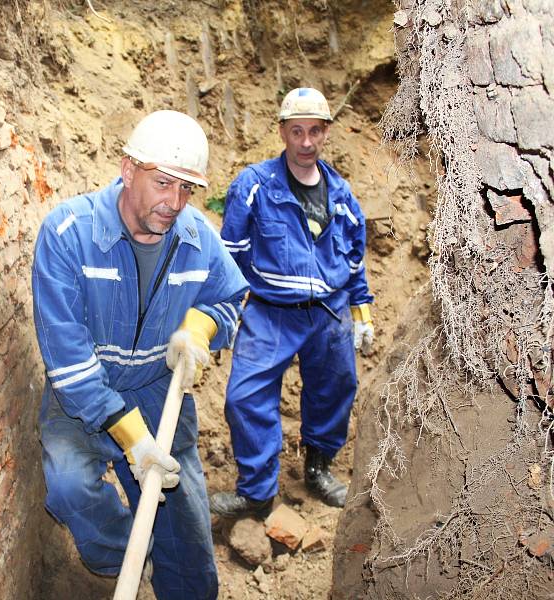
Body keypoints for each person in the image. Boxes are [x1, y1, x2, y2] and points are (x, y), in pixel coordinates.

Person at [32, 110, 248, 599]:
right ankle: (128, 552)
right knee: (69, 488)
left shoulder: (198, 238)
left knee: (187, 529)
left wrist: (198, 328)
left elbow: (229, 298)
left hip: (156, 388)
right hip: (84, 393)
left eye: (186, 189)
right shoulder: (68, 234)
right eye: (162, 182)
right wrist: (134, 439)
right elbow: (68, 362)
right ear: (129, 170)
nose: (174, 203)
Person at [210, 87, 375, 517]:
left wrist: (361, 312)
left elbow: (355, 257)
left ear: (326, 133)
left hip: (328, 313)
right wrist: (220, 313)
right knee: (244, 397)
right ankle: (257, 492)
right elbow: (230, 256)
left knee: (335, 389)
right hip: (270, 312)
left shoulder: (342, 196)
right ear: (282, 132)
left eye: (314, 131)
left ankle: (318, 468)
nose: (305, 142)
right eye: (296, 131)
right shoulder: (254, 186)